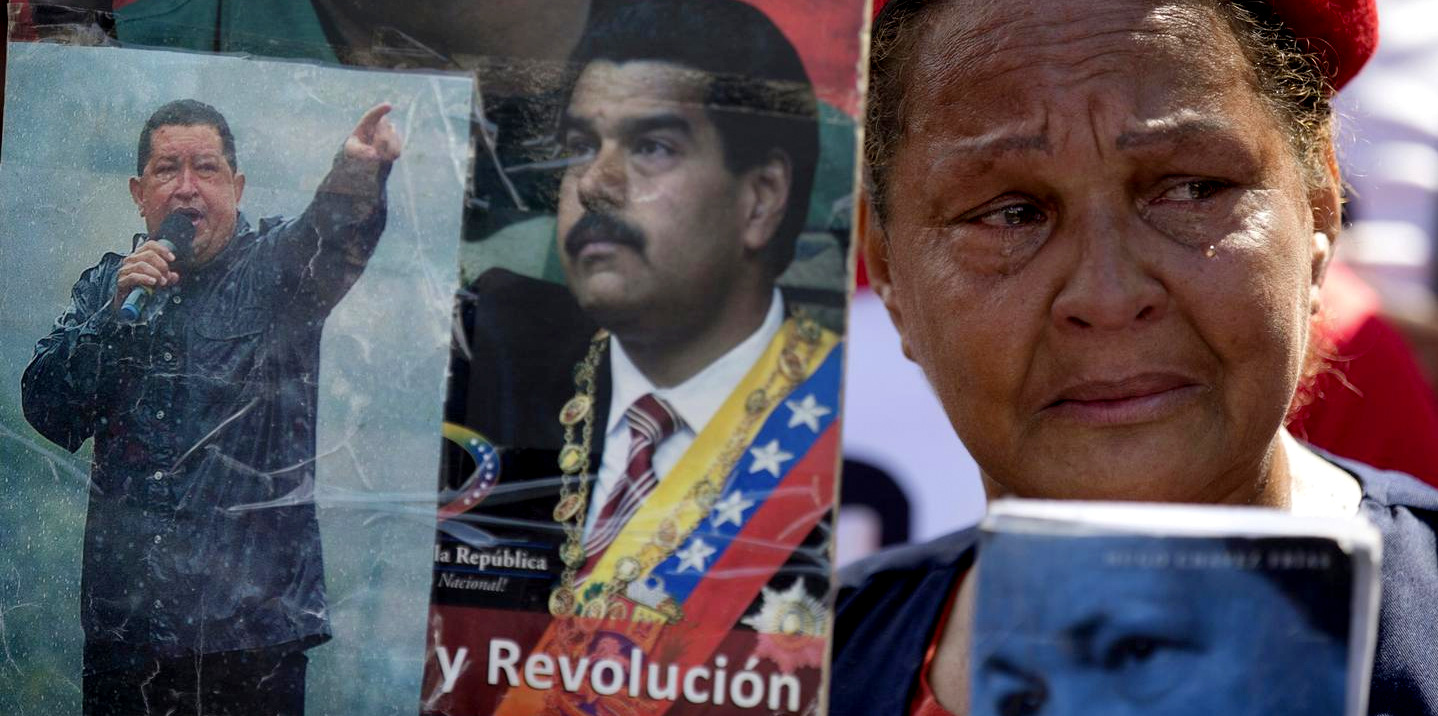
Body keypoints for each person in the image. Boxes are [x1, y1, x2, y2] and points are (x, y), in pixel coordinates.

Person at [832, 0, 1438, 715]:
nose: (1109, 295)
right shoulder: (795, 674)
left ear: (1320, 207)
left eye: (1190, 189)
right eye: (1010, 212)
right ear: (890, 274)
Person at [424, 1, 838, 712]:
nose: (594, 183)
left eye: (652, 147)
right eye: (581, 145)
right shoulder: (483, 371)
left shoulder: (852, 442)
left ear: (761, 199)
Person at [20, 98, 401, 715]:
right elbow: (48, 410)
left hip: (249, 644)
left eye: (208, 169)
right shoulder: (108, 287)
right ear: (140, 193)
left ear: (237, 186)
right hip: (129, 639)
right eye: (168, 170)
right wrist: (114, 319)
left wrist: (357, 172)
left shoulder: (273, 272)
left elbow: (328, 238)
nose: (188, 188)